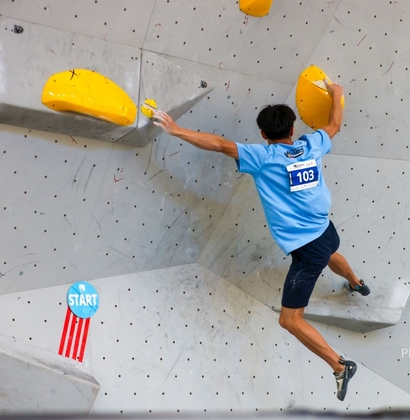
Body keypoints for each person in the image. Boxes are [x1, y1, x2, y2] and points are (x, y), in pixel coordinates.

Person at [152, 80, 370, 401]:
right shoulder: (312, 144)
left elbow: (219, 144)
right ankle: (356, 283)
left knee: (289, 320)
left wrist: (175, 129)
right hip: (324, 227)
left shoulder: (263, 156)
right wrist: (337, 94)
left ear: (263, 134)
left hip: (307, 247)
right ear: (293, 129)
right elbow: (334, 123)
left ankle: (340, 365)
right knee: (330, 252)